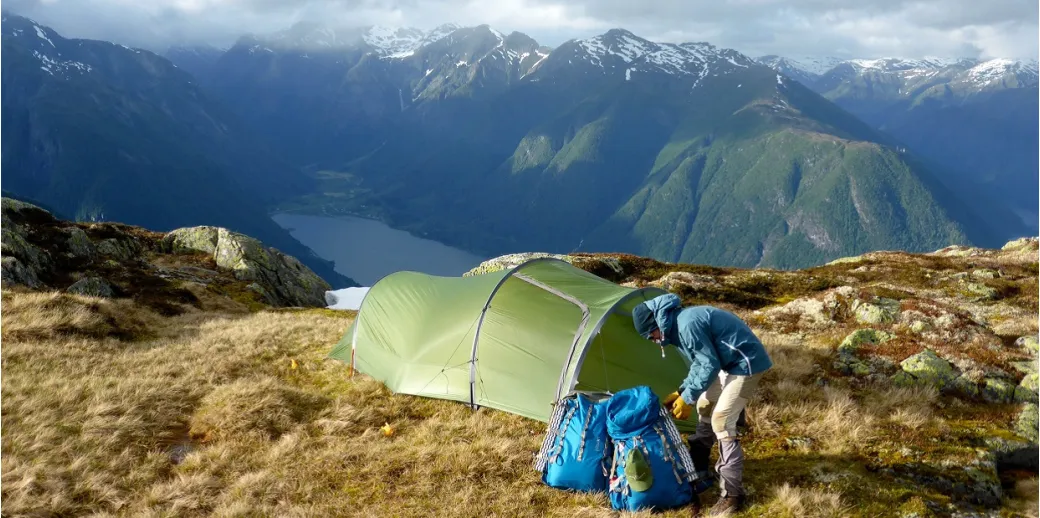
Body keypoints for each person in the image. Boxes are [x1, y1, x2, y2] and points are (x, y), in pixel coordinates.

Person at [631, 293, 772, 515]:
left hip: (746, 363)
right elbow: (699, 363)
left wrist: (687, 398)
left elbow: (709, 365)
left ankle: (732, 495)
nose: (653, 340)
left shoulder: (686, 325)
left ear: (657, 324)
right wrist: (682, 391)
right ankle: (699, 465)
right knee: (704, 406)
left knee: (722, 421)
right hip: (726, 363)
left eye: (651, 335)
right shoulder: (675, 327)